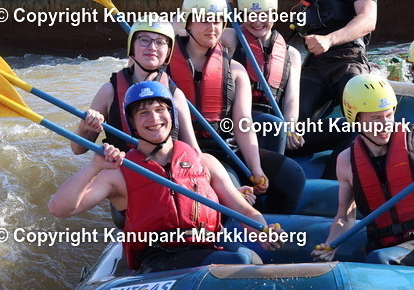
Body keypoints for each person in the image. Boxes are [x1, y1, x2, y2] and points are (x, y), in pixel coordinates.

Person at [49, 81, 280, 273]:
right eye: (143, 113)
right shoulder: (119, 172)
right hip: (159, 260)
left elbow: (245, 211)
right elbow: (60, 208)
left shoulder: (206, 162)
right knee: (241, 262)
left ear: (172, 115)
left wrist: (262, 230)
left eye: (160, 110)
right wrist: (94, 167)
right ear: (133, 124)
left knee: (249, 257)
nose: (154, 118)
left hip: (206, 250)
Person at [170, 0, 305, 215]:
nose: (212, 28)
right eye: (203, 20)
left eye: (217, 20)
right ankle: (240, 213)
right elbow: (157, 29)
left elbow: (243, 123)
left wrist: (256, 168)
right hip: (186, 151)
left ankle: (270, 223)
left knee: (292, 176)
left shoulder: (235, 70)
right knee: (229, 185)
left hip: (225, 146)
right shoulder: (166, 63)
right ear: (188, 23)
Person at [313, 74, 414, 269]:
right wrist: (331, 244)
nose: (385, 124)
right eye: (375, 118)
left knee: (379, 259)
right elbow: (344, 217)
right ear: (356, 118)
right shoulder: (345, 161)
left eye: (389, 115)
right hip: (385, 247)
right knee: (377, 257)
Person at [290, 0, 377, 154]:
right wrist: (232, 2)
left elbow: (368, 19)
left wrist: (330, 39)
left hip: (347, 60)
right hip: (315, 65)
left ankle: (348, 164)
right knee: (287, 128)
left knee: (366, 123)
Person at [70, 18, 198, 155]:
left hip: (161, 173)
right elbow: (78, 150)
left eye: (160, 42)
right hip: (120, 170)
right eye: (144, 40)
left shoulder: (175, 94)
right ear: (132, 46)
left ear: (168, 51)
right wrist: (84, 126)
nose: (152, 47)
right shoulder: (109, 91)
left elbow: (193, 151)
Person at [219, 0, 303, 154]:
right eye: (251, 14)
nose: (257, 21)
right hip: (240, 120)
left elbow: (291, 100)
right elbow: (181, 29)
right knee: (274, 126)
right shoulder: (232, 38)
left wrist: (291, 128)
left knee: (342, 127)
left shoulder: (292, 54)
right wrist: (215, 3)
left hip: (275, 122)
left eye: (264, 14)